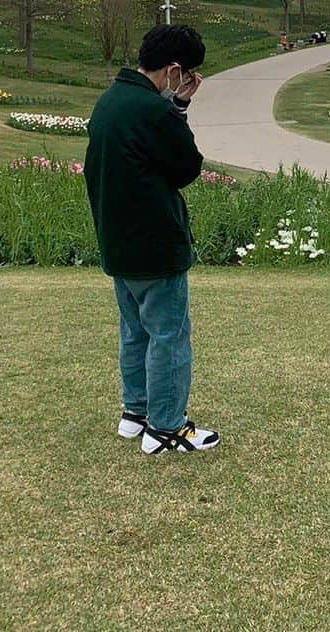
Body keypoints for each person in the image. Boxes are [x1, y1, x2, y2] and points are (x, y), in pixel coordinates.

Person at [84, 24, 220, 455]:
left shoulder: (110, 101)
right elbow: (186, 167)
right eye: (187, 74)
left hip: (118, 241)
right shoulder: (152, 110)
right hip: (155, 244)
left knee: (135, 332)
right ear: (175, 69)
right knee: (169, 335)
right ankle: (166, 427)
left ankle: (136, 414)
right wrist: (179, 108)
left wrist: (174, 105)